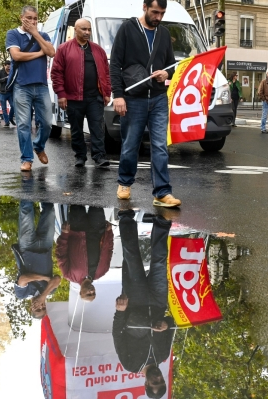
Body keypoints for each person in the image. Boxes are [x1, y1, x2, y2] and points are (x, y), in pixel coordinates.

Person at [111, 0, 181, 208]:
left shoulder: (164, 34)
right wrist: (118, 95)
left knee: (160, 146)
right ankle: (125, 182)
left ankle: (162, 192)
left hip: (158, 97)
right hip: (133, 98)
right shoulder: (127, 29)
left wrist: (166, 73)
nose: (158, 17)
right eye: (155, 12)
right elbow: (115, 63)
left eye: (162, 13)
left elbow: (172, 65)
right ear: (144, 7)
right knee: (131, 144)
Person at [113, 209, 174, 398]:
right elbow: (172, 326)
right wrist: (165, 324)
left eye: (154, 382)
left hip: (134, 302)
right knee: (160, 262)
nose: (158, 378)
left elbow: (117, 334)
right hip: (158, 302)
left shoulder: (130, 365)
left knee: (132, 257)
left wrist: (120, 312)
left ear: (146, 383)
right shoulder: (163, 355)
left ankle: (125, 216)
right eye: (161, 380)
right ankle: (162, 222)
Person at [51, 19, 112, 168]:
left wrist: (106, 92)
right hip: (73, 97)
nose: (87, 32)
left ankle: (99, 157)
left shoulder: (98, 50)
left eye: (89, 29)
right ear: (76, 30)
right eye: (84, 29)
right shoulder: (63, 49)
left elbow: (106, 73)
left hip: (94, 97)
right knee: (76, 129)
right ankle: (80, 156)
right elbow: (57, 73)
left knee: (97, 128)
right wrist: (61, 94)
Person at [6, 5, 56, 172]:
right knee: (23, 125)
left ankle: (39, 146)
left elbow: (51, 52)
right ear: (22, 18)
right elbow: (17, 55)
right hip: (21, 86)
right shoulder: (13, 34)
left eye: (35, 18)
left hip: (41, 85)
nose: (33, 21)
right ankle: (27, 159)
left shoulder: (42, 35)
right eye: (29, 18)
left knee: (47, 123)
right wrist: (40, 53)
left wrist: (35, 33)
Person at [12, 200, 62, 319]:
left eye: (38, 309)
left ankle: (27, 183)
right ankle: (43, 184)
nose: (41, 306)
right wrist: (43, 295)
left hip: (27, 248)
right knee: (49, 211)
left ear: (31, 308)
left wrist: (44, 278)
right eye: (43, 308)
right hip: (46, 247)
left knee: (26, 211)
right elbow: (57, 279)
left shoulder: (22, 294)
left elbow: (23, 279)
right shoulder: (50, 291)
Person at [56, 205, 114, 302]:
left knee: (77, 198)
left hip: (76, 229)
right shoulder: (102, 271)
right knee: (97, 201)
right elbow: (108, 250)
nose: (91, 291)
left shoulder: (68, 275)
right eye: (93, 293)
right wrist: (109, 233)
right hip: (97, 229)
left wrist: (65, 234)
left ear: (80, 292)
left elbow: (61, 254)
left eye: (88, 294)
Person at [0, 60, 16, 127]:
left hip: (10, 92)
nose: (8, 68)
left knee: (13, 106)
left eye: (9, 66)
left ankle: (10, 118)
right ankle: (7, 122)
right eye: (7, 66)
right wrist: (5, 78)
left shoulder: (12, 71)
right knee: (4, 109)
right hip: (2, 93)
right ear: (4, 65)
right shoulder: (0, 72)